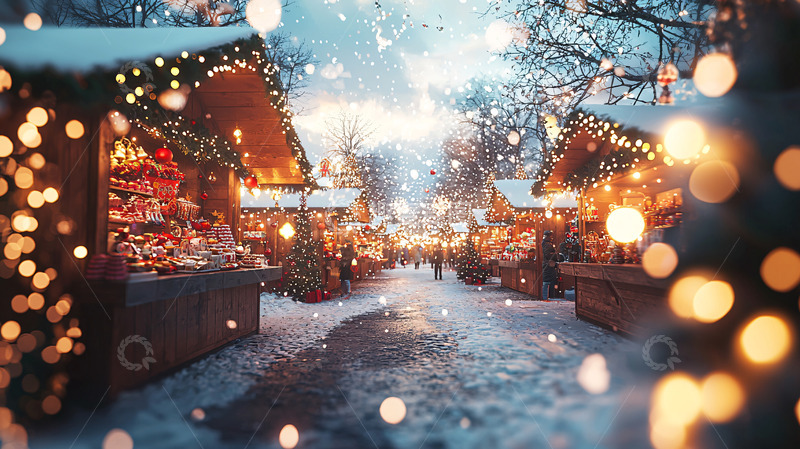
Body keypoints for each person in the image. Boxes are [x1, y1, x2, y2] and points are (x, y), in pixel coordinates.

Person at [541, 230, 558, 300]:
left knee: (547, 281)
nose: (551, 237)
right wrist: (556, 256)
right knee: (548, 281)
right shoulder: (547, 244)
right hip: (548, 265)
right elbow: (548, 255)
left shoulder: (545, 243)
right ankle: (547, 297)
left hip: (547, 264)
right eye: (550, 236)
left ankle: (547, 296)